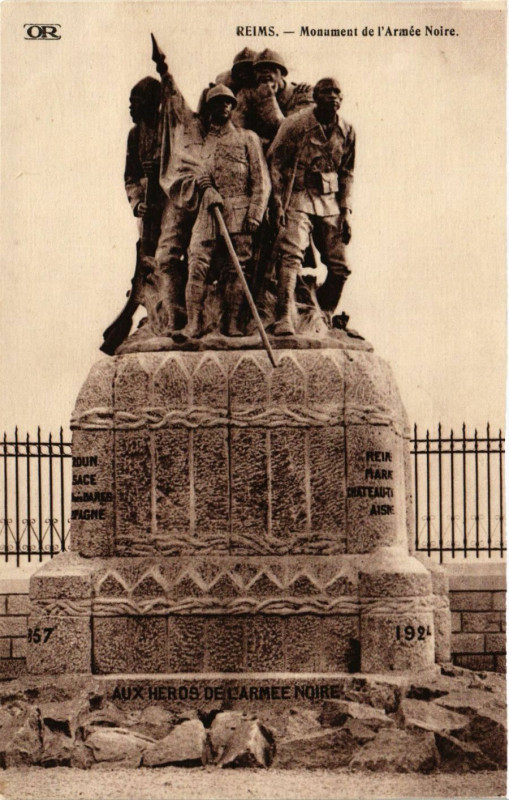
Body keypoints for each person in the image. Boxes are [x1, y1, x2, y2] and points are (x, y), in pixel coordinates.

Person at [170, 84, 270, 339]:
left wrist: (255, 213)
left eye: (227, 102)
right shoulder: (201, 143)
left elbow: (261, 180)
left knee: (237, 269)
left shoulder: (248, 138)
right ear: (210, 109)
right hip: (208, 213)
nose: (223, 107)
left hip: (240, 212)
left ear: (232, 107)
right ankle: (193, 324)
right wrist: (204, 187)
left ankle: (233, 324)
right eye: (217, 103)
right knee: (197, 263)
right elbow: (188, 172)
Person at [268, 77, 355, 336]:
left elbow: (347, 173)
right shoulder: (296, 124)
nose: (332, 96)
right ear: (316, 97)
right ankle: (284, 316)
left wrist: (346, 212)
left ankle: (324, 314)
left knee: (341, 267)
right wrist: (278, 201)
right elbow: (275, 160)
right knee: (291, 254)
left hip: (329, 201)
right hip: (299, 195)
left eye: (337, 92)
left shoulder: (347, 131)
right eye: (326, 92)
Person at [234, 49, 313, 148]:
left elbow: (292, 132)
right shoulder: (246, 95)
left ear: (283, 74)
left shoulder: (302, 94)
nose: (265, 72)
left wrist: (268, 100)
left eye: (272, 68)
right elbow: (237, 131)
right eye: (259, 69)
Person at [124, 76, 165, 255]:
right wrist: (137, 203)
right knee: (146, 252)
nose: (131, 108)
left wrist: (159, 169)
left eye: (136, 102)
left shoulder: (169, 129)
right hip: (147, 207)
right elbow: (130, 177)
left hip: (169, 202)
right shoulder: (135, 135)